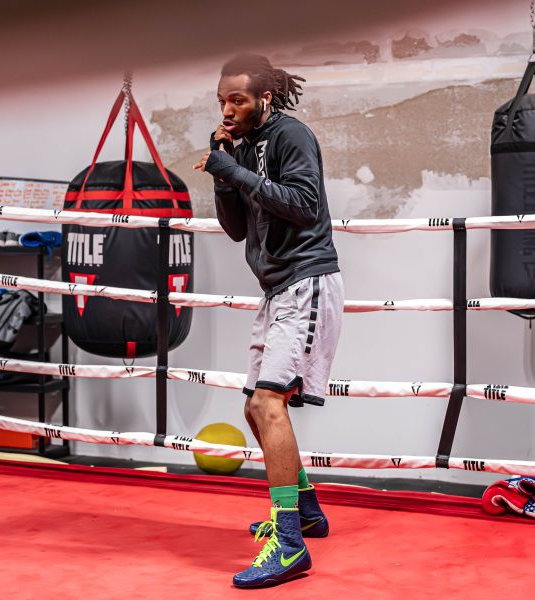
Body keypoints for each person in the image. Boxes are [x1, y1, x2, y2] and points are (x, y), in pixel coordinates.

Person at [193, 53, 344, 588]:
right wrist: (222, 172)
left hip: (307, 281)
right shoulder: (244, 146)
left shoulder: (290, 136)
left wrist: (232, 169)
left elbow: (305, 205)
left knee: (266, 403)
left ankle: (289, 544)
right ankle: (303, 510)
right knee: (255, 410)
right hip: (278, 288)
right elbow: (236, 229)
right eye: (221, 101)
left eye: (237, 99)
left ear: (265, 98)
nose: (228, 109)